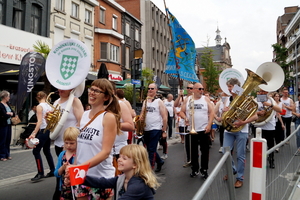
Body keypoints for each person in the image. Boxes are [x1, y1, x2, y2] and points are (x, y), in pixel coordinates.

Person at [72, 78, 121, 200]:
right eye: (91, 89)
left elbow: (105, 152)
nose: (92, 92)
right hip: (82, 175)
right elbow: (80, 147)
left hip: (101, 178)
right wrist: (74, 167)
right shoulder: (84, 115)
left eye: (97, 91)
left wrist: (81, 167)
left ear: (106, 97)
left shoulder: (108, 117)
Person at [83, 144, 160, 200]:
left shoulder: (138, 185)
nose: (119, 159)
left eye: (124, 158)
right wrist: (79, 177)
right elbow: (102, 182)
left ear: (135, 164)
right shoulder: (123, 178)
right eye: (120, 157)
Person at [222, 78, 258, 188]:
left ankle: (240, 178)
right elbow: (223, 114)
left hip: (242, 130)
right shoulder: (227, 99)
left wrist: (244, 121)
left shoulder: (246, 99)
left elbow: (256, 115)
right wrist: (224, 111)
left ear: (237, 87)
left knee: (240, 156)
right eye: (228, 87)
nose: (228, 89)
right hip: (229, 129)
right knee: (225, 151)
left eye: (230, 87)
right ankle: (232, 169)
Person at [52, 89, 84, 200]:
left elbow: (81, 122)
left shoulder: (75, 101)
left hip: (72, 144)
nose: (59, 90)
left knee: (72, 175)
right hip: (59, 142)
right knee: (61, 174)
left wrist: (72, 140)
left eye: (63, 88)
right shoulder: (56, 102)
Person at [180, 83, 214, 180]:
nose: (201, 90)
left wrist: (209, 125)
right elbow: (181, 111)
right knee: (193, 151)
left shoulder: (205, 99)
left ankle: (204, 169)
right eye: (199, 89)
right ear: (194, 90)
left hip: (204, 129)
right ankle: (195, 169)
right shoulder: (188, 100)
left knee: (205, 151)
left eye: (202, 89)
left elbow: (211, 112)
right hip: (191, 129)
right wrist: (185, 118)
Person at [28, 91, 55, 181]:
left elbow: (39, 121)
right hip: (48, 130)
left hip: (43, 130)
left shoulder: (39, 106)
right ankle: (52, 170)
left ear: (37, 98)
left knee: (36, 151)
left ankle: (40, 173)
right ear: (46, 96)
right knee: (47, 150)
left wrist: (34, 133)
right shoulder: (49, 106)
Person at [140, 83, 167, 173]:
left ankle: (149, 170)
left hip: (156, 128)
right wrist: (140, 119)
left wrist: (164, 130)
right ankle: (160, 161)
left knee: (151, 149)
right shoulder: (145, 101)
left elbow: (164, 116)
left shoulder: (159, 101)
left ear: (156, 90)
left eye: (152, 88)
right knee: (149, 149)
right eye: (149, 88)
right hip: (146, 128)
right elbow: (142, 114)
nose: (150, 90)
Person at [254, 89, 282, 168]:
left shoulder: (271, 101)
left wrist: (269, 104)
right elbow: (250, 113)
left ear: (267, 92)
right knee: (258, 145)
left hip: (270, 126)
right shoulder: (255, 101)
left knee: (270, 145)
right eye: (260, 91)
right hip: (258, 125)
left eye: (264, 91)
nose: (262, 93)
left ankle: (271, 160)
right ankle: (259, 161)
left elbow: (279, 110)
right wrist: (258, 113)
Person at [54, 127, 79, 199]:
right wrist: (62, 168)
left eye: (72, 143)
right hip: (64, 188)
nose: (68, 145)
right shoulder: (62, 154)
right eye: (66, 143)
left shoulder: (79, 154)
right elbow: (56, 173)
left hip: (76, 188)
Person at [176, 84, 194, 168]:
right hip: (186, 123)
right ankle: (189, 159)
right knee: (187, 143)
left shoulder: (196, 98)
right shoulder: (184, 98)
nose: (189, 89)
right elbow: (175, 105)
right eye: (188, 88)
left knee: (194, 145)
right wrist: (179, 96)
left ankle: (194, 160)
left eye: (191, 88)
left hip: (195, 124)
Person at [0, 90, 15, 161]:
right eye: (8, 96)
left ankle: (7, 154)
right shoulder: (0, 105)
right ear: (5, 97)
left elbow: (13, 113)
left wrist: (9, 113)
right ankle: (2, 155)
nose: (9, 98)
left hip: (9, 124)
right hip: (3, 125)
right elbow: (4, 115)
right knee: (2, 140)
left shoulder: (8, 104)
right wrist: (9, 114)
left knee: (8, 139)